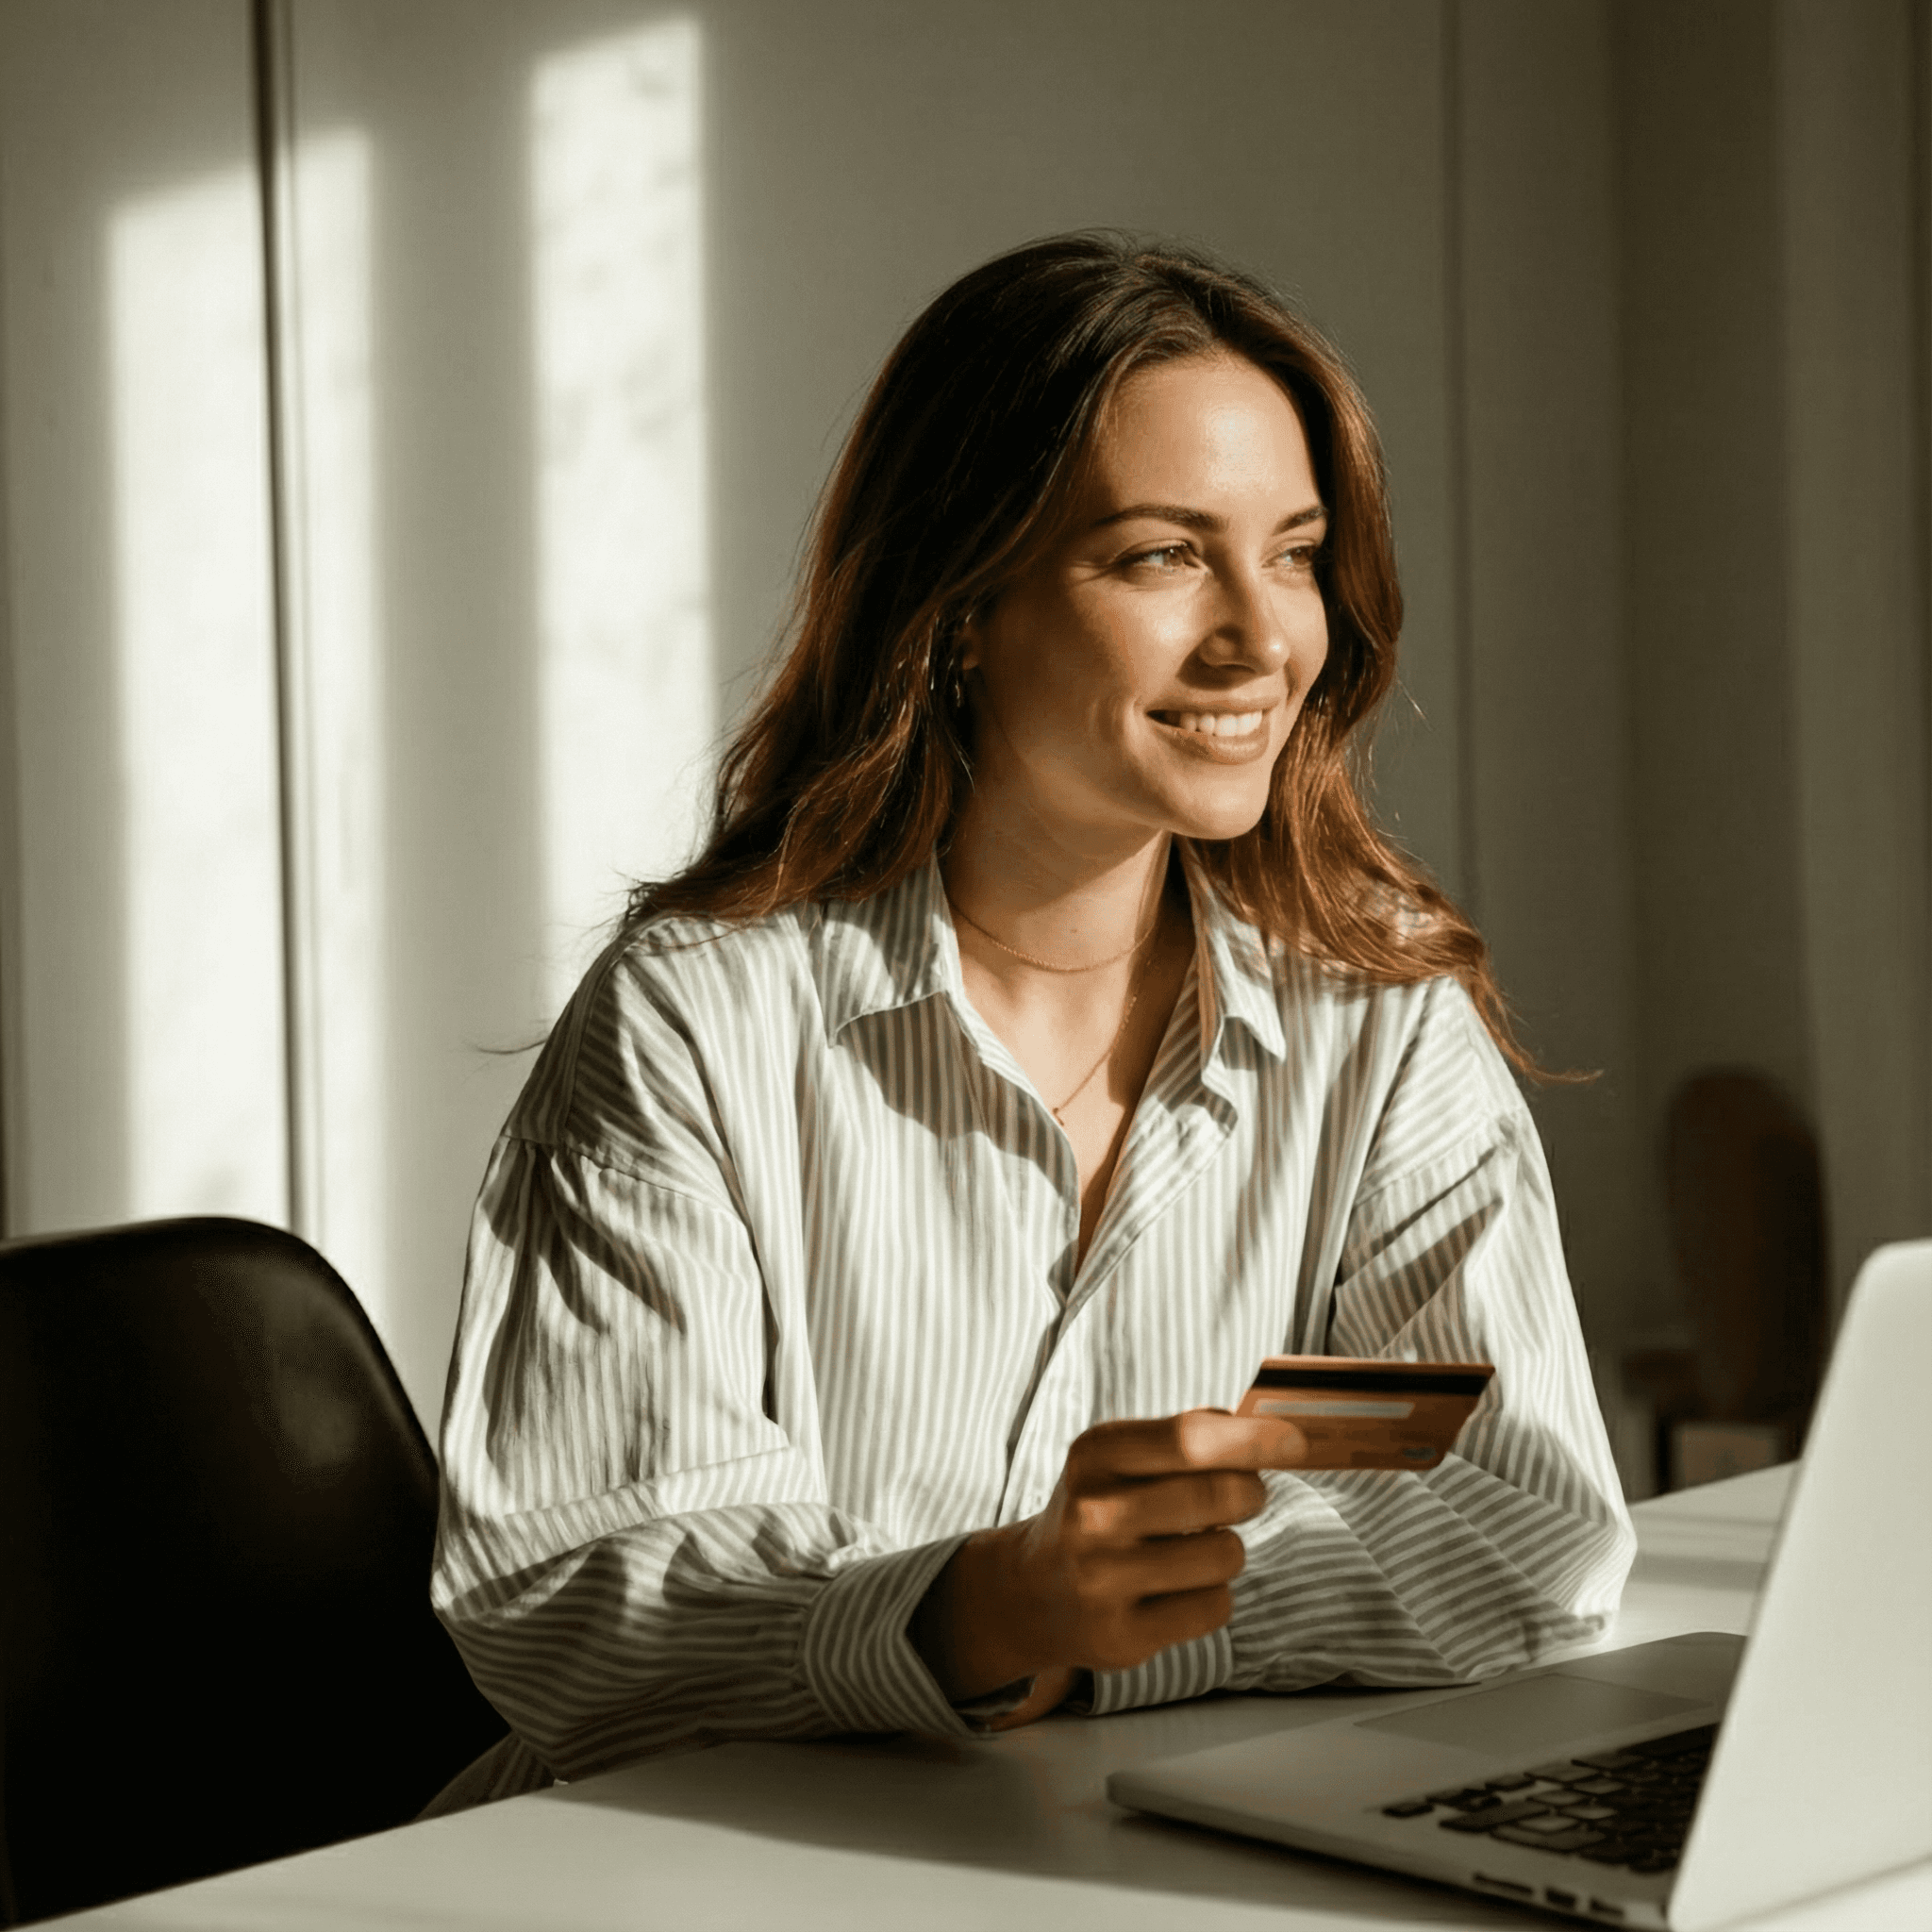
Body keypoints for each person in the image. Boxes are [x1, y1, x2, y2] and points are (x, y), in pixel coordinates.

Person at [428, 232, 1635, 1807]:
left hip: (1125, 1860)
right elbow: (579, 1595)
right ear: (962, 607)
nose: (1265, 640)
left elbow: (1517, 1524)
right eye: (1160, 555)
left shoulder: (1383, 1023)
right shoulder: (693, 1027)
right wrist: (970, 1610)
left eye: (1292, 551)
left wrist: (1108, 1630)